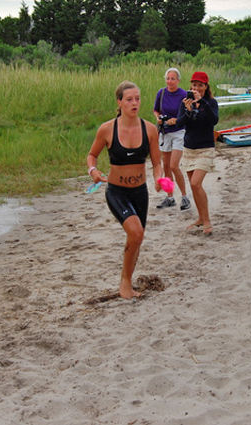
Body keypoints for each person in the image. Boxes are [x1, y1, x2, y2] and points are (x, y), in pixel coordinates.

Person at [87, 81, 162, 299]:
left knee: (138, 238)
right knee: (135, 232)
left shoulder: (149, 129)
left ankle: (127, 282)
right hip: (117, 192)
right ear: (119, 102)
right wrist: (93, 170)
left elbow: (157, 163)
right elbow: (92, 155)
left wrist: (159, 179)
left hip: (140, 192)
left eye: (137, 98)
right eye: (129, 99)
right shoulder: (107, 129)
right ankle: (125, 284)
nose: (134, 103)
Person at [177, 71, 219, 236]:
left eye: (200, 85)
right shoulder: (185, 102)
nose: (197, 88)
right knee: (194, 187)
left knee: (196, 183)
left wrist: (202, 103)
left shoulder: (211, 102)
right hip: (189, 148)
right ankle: (200, 218)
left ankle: (207, 220)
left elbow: (214, 120)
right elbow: (180, 123)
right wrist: (188, 111)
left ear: (206, 87)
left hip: (205, 148)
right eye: (194, 85)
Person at [153, 68, 191, 211]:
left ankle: (185, 196)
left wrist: (176, 121)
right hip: (165, 133)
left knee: (174, 166)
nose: (170, 81)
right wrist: (158, 118)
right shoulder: (161, 93)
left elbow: (188, 114)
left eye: (173, 79)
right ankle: (170, 197)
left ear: (178, 80)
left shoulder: (183, 95)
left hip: (179, 132)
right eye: (168, 78)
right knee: (166, 166)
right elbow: (156, 110)